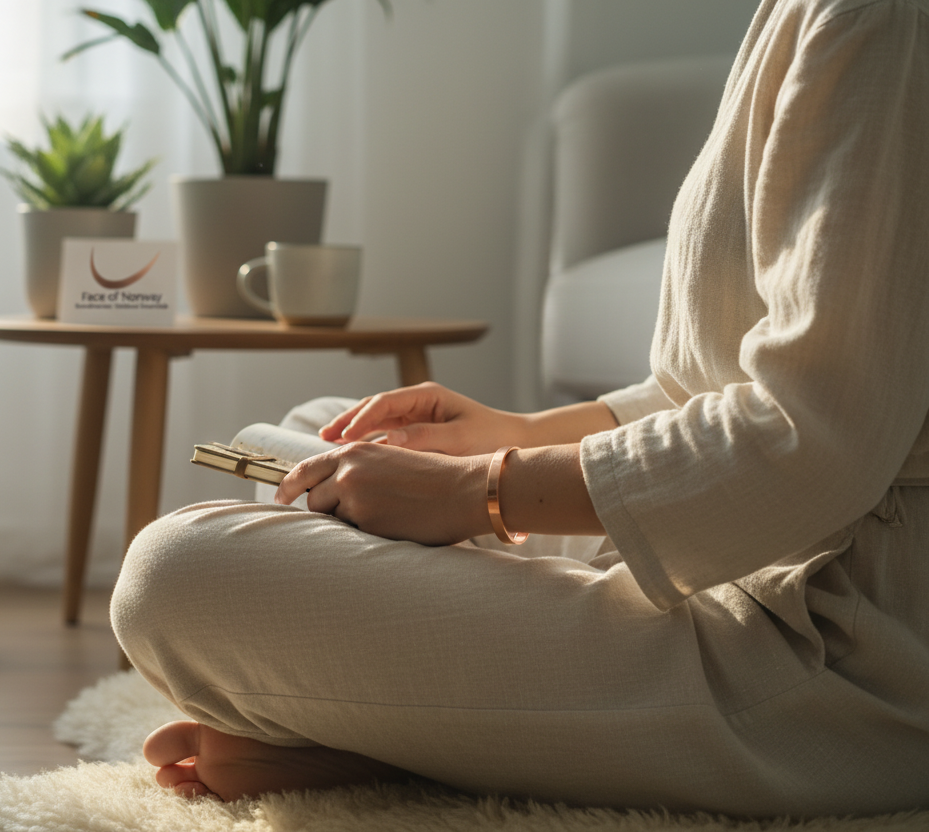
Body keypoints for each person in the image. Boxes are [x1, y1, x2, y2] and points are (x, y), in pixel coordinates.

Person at [111, 0, 929, 816]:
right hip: (748, 547)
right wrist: (513, 436)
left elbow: (810, 439)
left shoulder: (883, 18)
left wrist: (481, 489)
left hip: (834, 648)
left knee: (177, 574)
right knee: (324, 429)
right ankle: (454, 724)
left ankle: (407, 740)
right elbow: (717, 387)